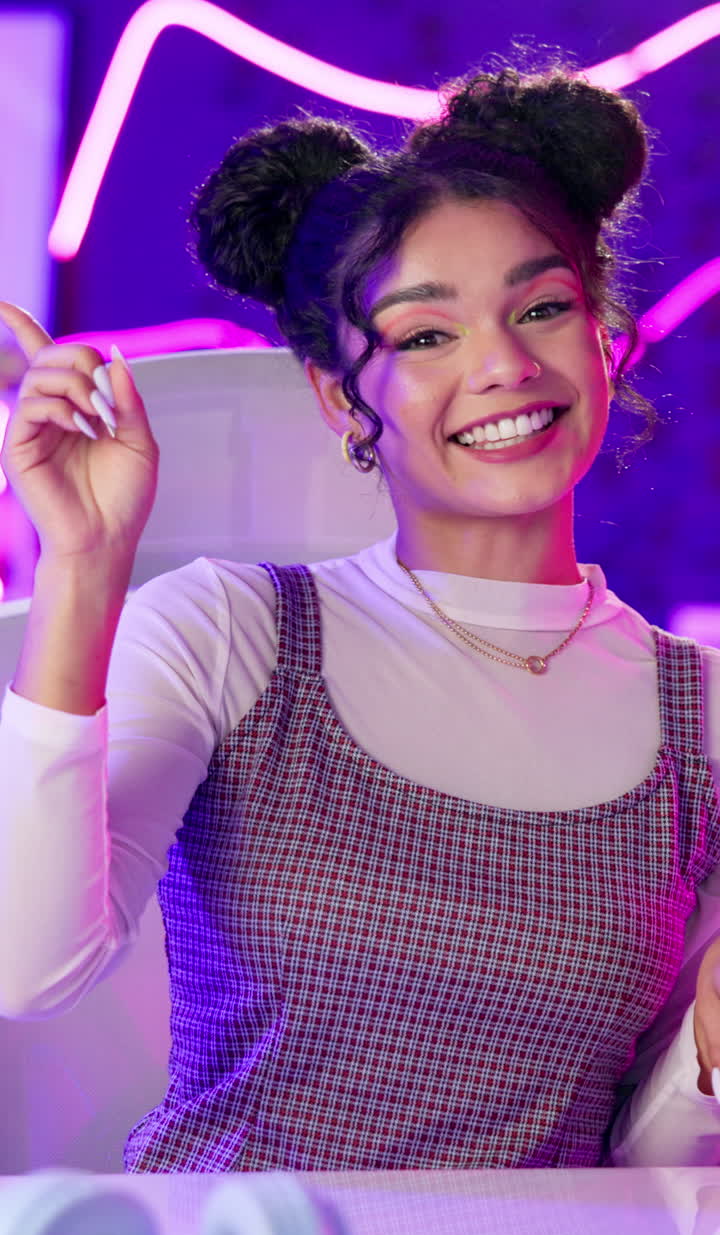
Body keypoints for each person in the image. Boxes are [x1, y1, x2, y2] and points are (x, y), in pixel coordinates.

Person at [2, 61, 720, 1173]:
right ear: (342, 394)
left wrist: (712, 1054)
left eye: (542, 308)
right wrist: (85, 565)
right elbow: (26, 968)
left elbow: (652, 1164)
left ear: (604, 335)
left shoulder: (703, 711)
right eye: (426, 335)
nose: (502, 364)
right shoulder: (235, 630)